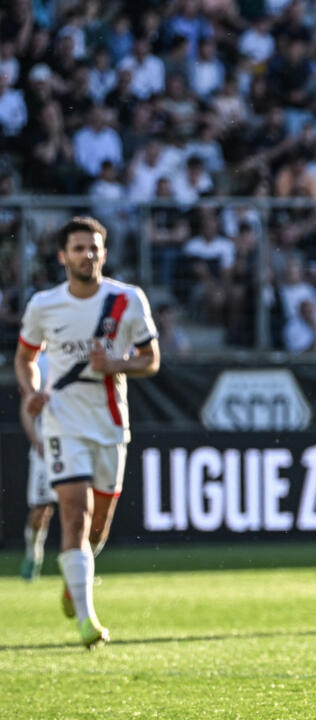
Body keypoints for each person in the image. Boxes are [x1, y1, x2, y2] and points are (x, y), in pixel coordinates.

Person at [15, 216, 161, 648]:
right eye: (79, 248)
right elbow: (24, 359)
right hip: (64, 423)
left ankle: (73, 577)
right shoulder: (44, 305)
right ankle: (87, 620)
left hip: (111, 425)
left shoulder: (127, 299)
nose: (88, 255)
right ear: (63, 256)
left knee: (98, 531)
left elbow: (151, 359)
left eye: (94, 248)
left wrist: (115, 364)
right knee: (73, 516)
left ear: (104, 252)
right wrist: (32, 392)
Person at [19, 352, 53, 581]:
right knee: (41, 509)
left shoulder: (81, 355)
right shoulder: (40, 363)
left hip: (74, 444)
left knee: (80, 506)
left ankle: (81, 567)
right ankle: (33, 554)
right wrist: (36, 440)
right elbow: (27, 407)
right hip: (46, 448)